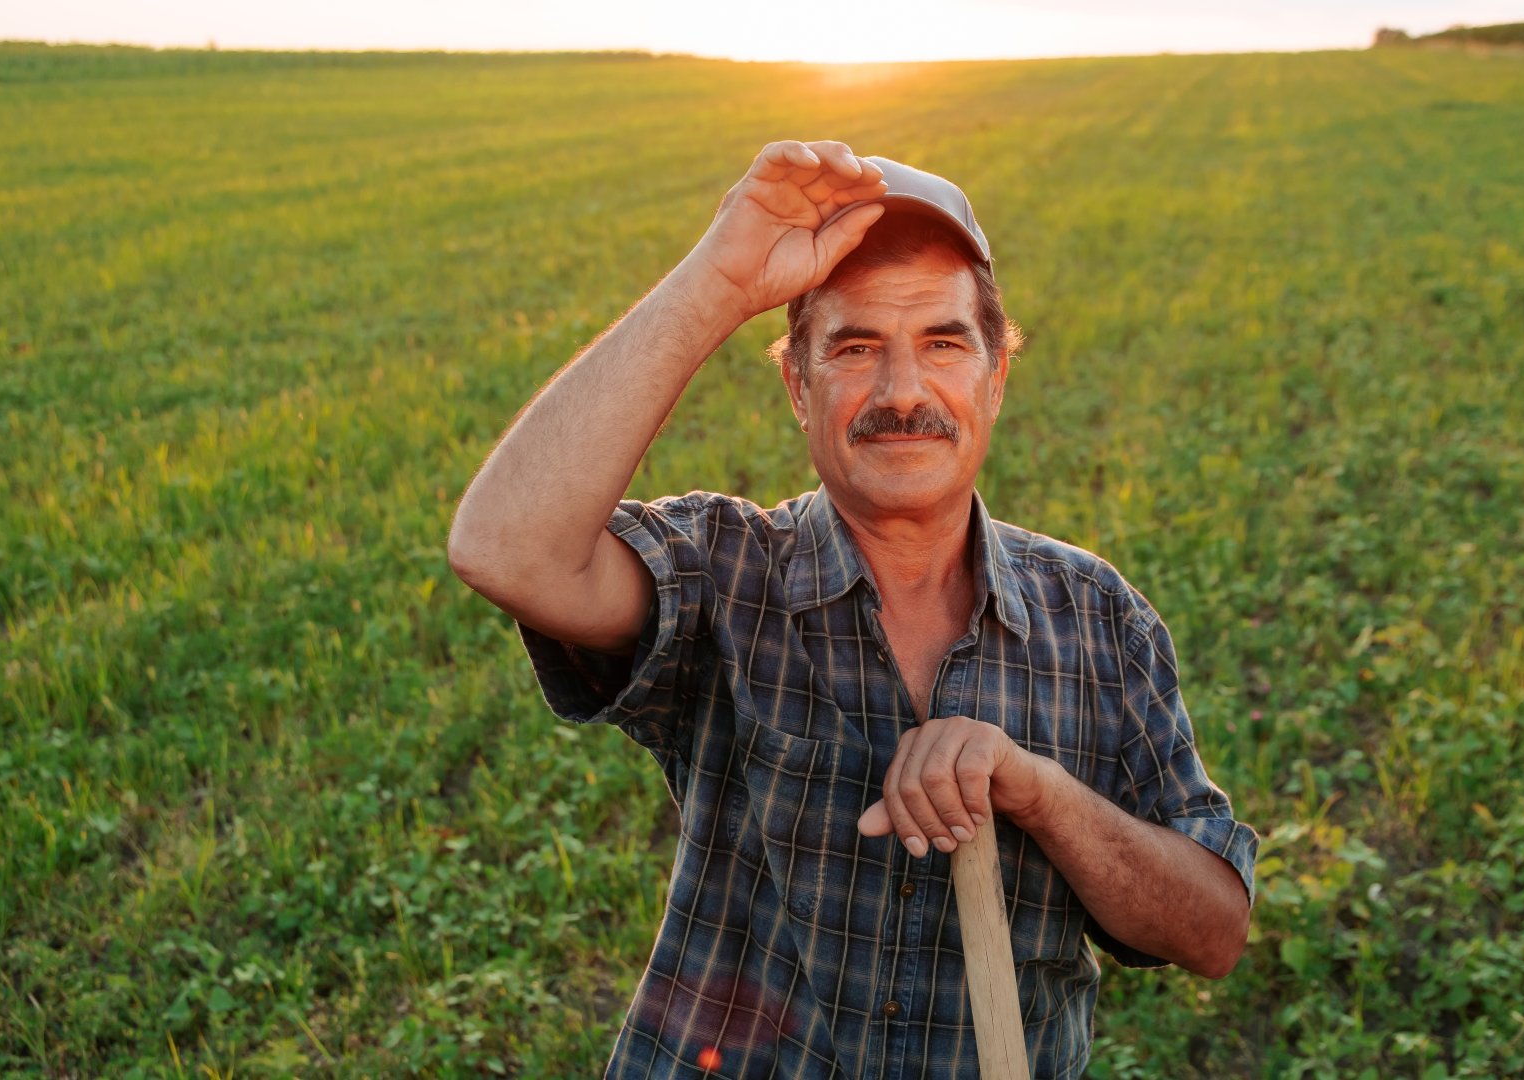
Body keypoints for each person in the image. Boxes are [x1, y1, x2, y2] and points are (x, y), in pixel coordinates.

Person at [447, 140, 1258, 1078]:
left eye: (944, 344)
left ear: (996, 377)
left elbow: (1214, 932)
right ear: (799, 385)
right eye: (857, 347)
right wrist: (717, 279)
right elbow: (506, 549)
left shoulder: (1099, 620)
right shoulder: (726, 571)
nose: (904, 393)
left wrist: (1037, 794)